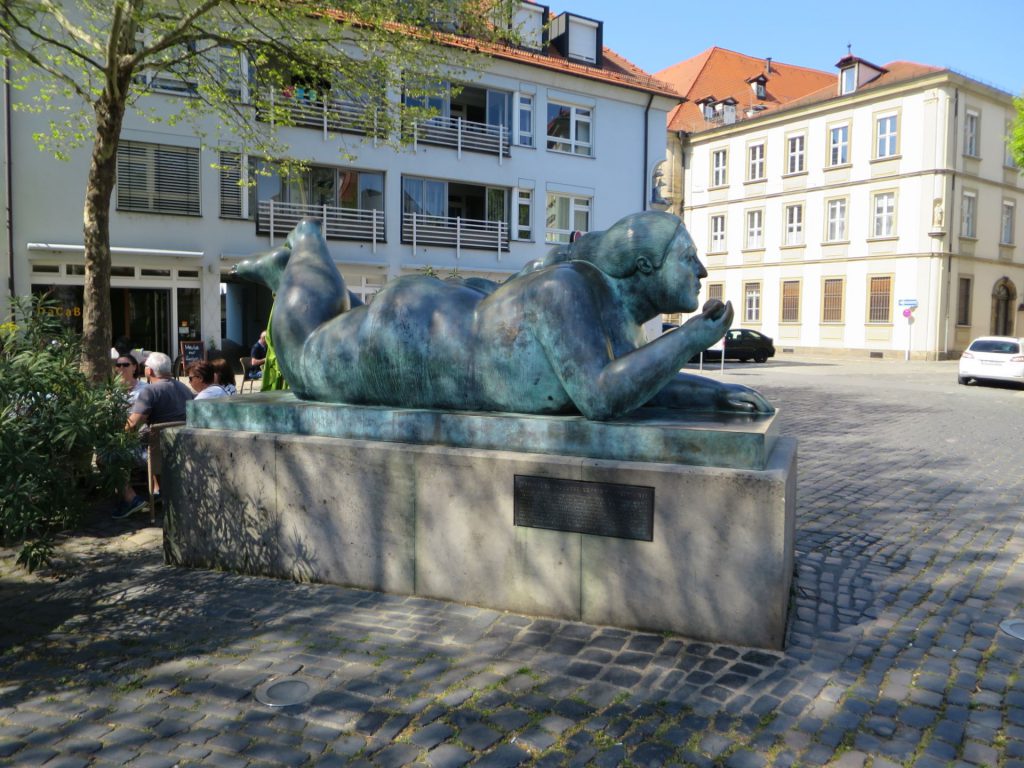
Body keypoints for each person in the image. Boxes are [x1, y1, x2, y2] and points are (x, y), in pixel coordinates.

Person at [234, 212, 771, 420]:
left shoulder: (615, 318)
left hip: (436, 328)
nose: (701, 269)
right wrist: (692, 338)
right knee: (306, 358)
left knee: (328, 326)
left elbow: (637, 382)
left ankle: (310, 272)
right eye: (687, 257)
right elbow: (601, 397)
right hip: (406, 343)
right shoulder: (569, 289)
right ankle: (300, 252)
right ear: (646, 265)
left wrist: (713, 394)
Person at [114, 351, 194, 519]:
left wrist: (117, 438)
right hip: (181, 451)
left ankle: (131, 499)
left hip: (154, 454)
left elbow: (133, 424)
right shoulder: (185, 389)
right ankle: (158, 492)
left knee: (107, 456)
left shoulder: (150, 391)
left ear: (148, 371)